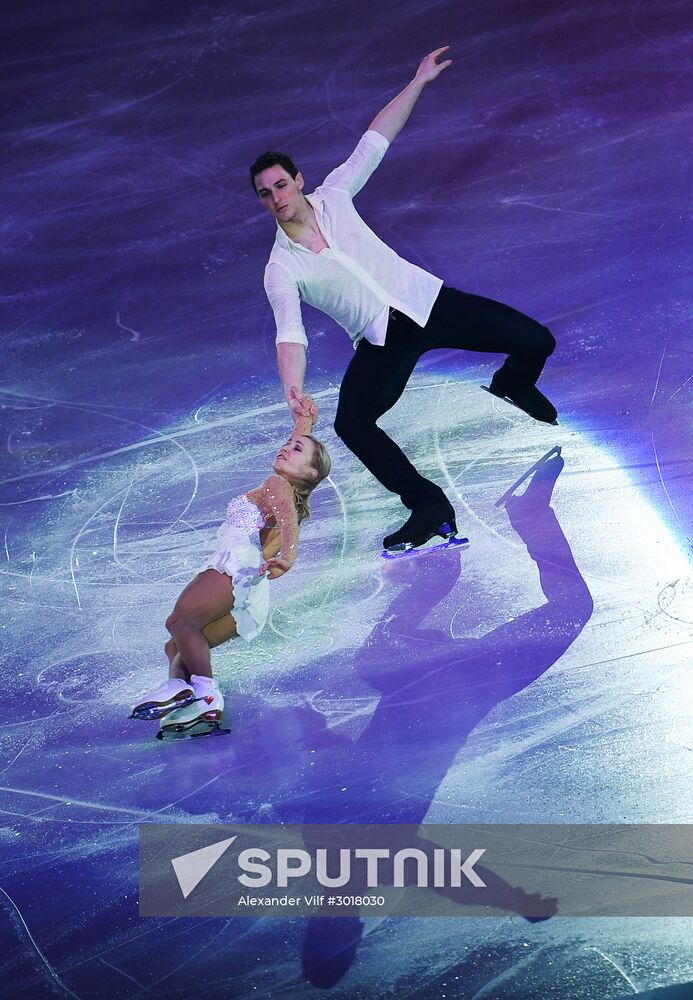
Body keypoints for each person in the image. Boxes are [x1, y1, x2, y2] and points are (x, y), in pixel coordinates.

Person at [250, 46, 557, 552]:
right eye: (265, 193)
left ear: (297, 180)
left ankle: (511, 383)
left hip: (429, 302)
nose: (277, 197)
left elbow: (376, 140)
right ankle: (429, 506)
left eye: (281, 184)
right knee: (352, 423)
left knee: (536, 341)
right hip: (381, 338)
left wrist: (418, 82)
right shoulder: (281, 268)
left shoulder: (335, 195)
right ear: (262, 200)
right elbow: (290, 335)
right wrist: (293, 388)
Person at [130, 391, 331, 738]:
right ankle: (185, 696)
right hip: (251, 586)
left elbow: (287, 523)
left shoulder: (276, 485)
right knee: (177, 645)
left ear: (310, 472)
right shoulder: (291, 483)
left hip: (235, 564)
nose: (285, 447)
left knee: (180, 621)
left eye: (295, 449)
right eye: (287, 443)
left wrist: (288, 557)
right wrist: (305, 420)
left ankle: (205, 694)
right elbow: (298, 468)